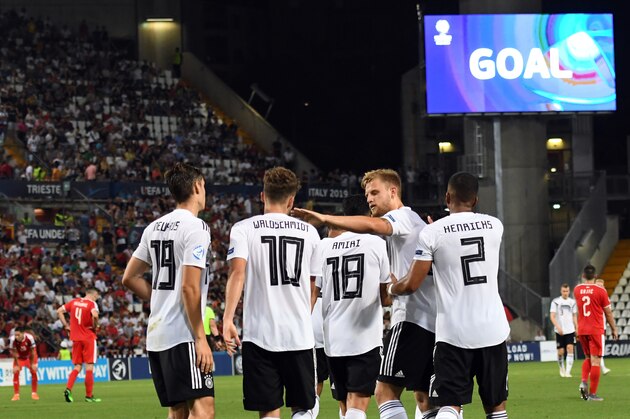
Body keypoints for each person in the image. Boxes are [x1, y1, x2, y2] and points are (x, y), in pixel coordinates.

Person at [294, 168, 437, 419]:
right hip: (430, 319)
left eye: (374, 192)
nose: (369, 198)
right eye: (367, 194)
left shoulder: (401, 218)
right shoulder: (414, 223)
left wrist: (327, 219)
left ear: (393, 191)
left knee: (384, 393)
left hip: (411, 319)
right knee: (424, 398)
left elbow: (373, 225)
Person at [388, 172, 509, 419]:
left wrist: (391, 288)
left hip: (453, 334)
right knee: (496, 408)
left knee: (449, 406)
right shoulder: (495, 225)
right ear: (475, 200)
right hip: (492, 331)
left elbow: (411, 284)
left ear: (447, 196)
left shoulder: (433, 232)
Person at [223, 166, 321, 418]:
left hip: (259, 336)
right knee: (303, 408)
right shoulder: (310, 232)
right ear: (291, 200)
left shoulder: (243, 228)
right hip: (298, 336)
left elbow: (237, 274)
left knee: (268, 412)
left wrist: (227, 319)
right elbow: (313, 287)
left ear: (262, 196)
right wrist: (302, 314)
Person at [122, 162, 215, 419]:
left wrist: (161, 299)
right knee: (204, 409)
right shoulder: (197, 228)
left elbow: (129, 277)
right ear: (197, 186)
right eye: (204, 186)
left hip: (158, 336)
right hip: (183, 335)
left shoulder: (153, 228)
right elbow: (188, 286)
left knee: (178, 411)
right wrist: (200, 337)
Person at [313, 195, 391, 419]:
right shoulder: (376, 243)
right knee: (357, 405)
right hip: (363, 339)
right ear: (366, 217)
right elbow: (385, 297)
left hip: (333, 340)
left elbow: (316, 291)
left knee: (345, 405)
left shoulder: (324, 246)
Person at [574, 265, 618, 401]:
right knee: (596, 361)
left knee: (587, 357)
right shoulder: (601, 291)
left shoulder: (577, 290)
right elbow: (608, 312)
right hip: (595, 329)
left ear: (583, 276)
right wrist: (614, 328)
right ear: (595, 276)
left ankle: (583, 381)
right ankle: (592, 394)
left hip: (582, 329)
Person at [56, 288, 101, 403]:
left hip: (75, 339)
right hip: (88, 338)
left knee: (77, 366)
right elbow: (95, 316)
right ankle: (89, 396)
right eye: (97, 296)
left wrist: (66, 325)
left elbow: (59, 311)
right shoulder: (92, 304)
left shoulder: (74, 302)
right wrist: (95, 326)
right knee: (89, 367)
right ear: (93, 294)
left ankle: (68, 389)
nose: (97, 298)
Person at [549, 283, 578, 377]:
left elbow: (574, 316)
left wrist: (577, 327)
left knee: (570, 348)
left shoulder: (572, 302)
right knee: (560, 352)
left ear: (569, 291)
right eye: (564, 291)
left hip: (570, 330)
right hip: (560, 330)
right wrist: (558, 327)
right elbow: (552, 316)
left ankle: (568, 372)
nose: (565, 293)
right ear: (561, 291)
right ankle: (561, 368)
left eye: (567, 291)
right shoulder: (555, 302)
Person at [9, 326, 39, 401]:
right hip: (19, 357)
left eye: (18, 335)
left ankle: (34, 393)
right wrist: (16, 364)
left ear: (23, 333)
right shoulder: (13, 339)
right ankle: (16, 395)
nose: (16, 337)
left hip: (29, 357)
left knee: (34, 372)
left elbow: (33, 351)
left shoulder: (30, 338)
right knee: (16, 372)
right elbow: (13, 352)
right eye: (15, 335)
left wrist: (32, 363)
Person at [595, 278, 611, 375]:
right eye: (598, 286)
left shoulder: (606, 298)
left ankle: (601, 367)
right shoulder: (592, 298)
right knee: (594, 349)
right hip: (593, 326)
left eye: (601, 286)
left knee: (599, 348)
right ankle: (601, 368)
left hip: (601, 326)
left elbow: (608, 312)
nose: (600, 288)